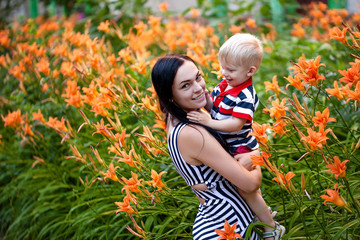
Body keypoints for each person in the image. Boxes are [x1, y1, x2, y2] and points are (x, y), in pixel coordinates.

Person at [151, 53, 263, 239]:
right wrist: (256, 154)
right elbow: (250, 184)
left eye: (198, 77)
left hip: (219, 220)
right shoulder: (191, 133)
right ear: (170, 96)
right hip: (233, 227)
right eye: (185, 85)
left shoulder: (179, 119)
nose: (199, 88)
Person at [186, 33, 285, 239]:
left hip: (240, 146)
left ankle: (271, 228)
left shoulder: (245, 95)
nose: (224, 73)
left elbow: (235, 124)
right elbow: (216, 106)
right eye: (223, 67)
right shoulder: (225, 85)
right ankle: (264, 216)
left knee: (247, 190)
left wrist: (208, 122)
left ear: (250, 71)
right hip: (228, 144)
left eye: (230, 69)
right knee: (243, 189)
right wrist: (203, 102)